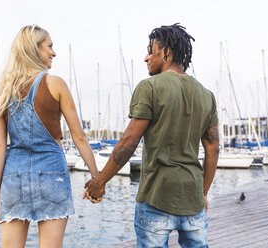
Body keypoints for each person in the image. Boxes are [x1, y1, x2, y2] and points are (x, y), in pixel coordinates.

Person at [84, 23, 219, 248]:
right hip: (193, 199)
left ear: (166, 52)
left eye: (150, 50)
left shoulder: (150, 87)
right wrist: (203, 193)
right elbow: (213, 149)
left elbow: (129, 141)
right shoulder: (207, 95)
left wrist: (100, 181)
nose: (146, 57)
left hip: (157, 197)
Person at [0, 24, 99, 248]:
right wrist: (97, 179)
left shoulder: (1, 91)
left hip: (13, 177)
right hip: (52, 174)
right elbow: (79, 139)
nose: (54, 53)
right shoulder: (55, 84)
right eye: (50, 46)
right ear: (34, 49)